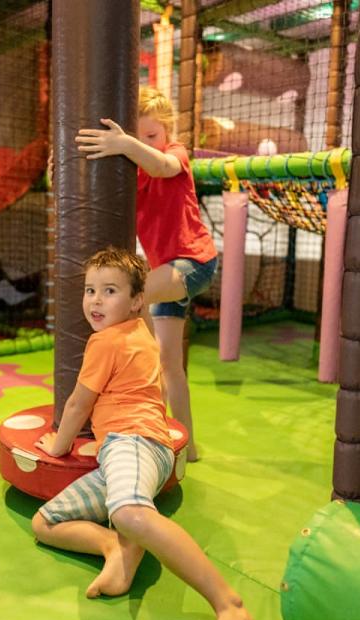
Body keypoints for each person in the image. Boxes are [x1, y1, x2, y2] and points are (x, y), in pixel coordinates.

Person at [32, 247, 253, 620]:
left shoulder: (105, 342)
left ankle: (229, 606)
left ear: (137, 301)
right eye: (90, 290)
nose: (96, 301)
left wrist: (58, 445)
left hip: (131, 443)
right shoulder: (140, 331)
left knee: (131, 513)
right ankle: (115, 547)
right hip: (129, 451)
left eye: (110, 291)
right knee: (45, 522)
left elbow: (78, 402)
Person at [76, 86, 217, 462]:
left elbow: (161, 166)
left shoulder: (175, 154)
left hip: (195, 263)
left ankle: (133, 407)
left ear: (167, 132)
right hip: (167, 272)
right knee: (167, 362)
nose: (144, 144)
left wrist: (124, 142)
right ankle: (188, 447)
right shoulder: (133, 177)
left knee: (126, 303)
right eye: (139, 137)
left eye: (151, 136)